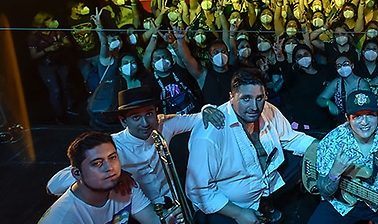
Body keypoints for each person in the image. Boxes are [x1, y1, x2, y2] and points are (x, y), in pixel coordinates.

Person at [46, 86, 224, 212]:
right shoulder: (112, 148)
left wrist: (207, 108)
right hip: (140, 211)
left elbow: (201, 117)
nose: (145, 123)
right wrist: (116, 174)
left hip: (176, 202)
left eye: (149, 114)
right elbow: (53, 186)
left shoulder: (163, 125)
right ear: (124, 121)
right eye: (136, 117)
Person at [186, 68, 317, 224]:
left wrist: (321, 147)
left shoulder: (268, 109)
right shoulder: (209, 135)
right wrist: (239, 213)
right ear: (231, 97)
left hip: (266, 184)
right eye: (246, 99)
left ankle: (268, 204)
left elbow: (291, 139)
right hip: (232, 204)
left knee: (308, 155)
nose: (254, 107)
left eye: (259, 98)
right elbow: (198, 190)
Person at [309, 89, 378, 224]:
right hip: (341, 203)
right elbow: (324, 190)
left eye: (370, 115)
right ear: (347, 118)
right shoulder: (333, 141)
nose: (364, 122)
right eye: (357, 116)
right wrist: (334, 173)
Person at [38, 131, 160, 224]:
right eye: (97, 163)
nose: (110, 167)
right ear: (77, 174)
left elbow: (153, 220)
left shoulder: (124, 184)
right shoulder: (62, 219)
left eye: (112, 157)